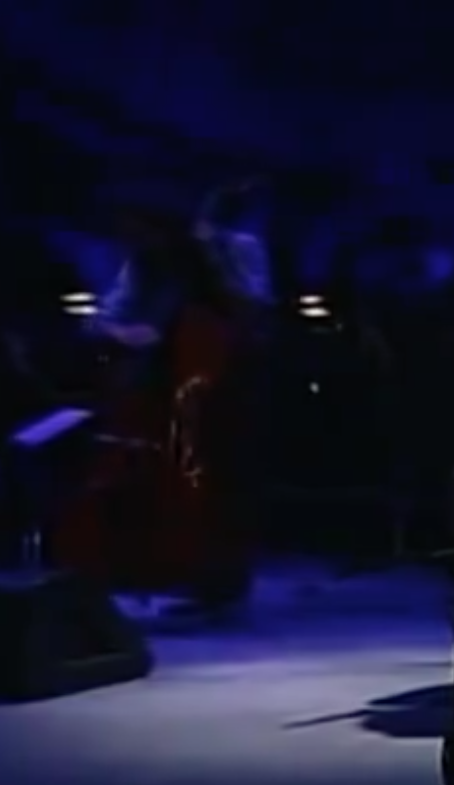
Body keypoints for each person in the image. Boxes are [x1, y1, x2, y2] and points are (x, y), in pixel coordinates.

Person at [81, 180, 273, 615]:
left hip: (228, 383)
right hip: (164, 386)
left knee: (225, 482)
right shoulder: (143, 262)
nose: (127, 238)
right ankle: (160, 566)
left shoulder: (237, 248)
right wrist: (121, 330)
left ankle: (220, 583)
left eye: (134, 227)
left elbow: (250, 311)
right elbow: (100, 317)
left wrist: (212, 253)